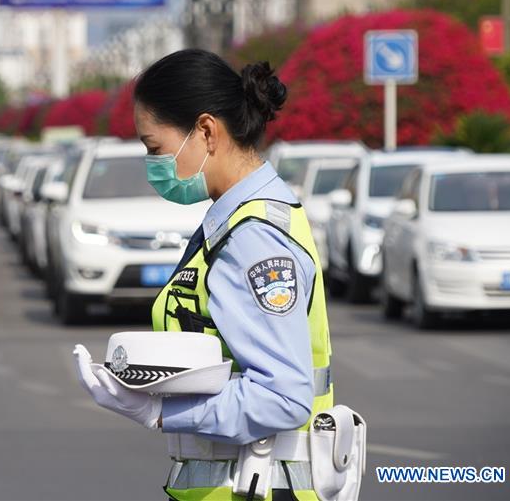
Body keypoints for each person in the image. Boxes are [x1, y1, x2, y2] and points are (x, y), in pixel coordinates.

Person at [74, 49, 334, 501]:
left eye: (154, 147)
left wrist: (161, 409)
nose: (153, 164)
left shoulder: (254, 238)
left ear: (207, 131)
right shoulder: (234, 220)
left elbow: (284, 397)